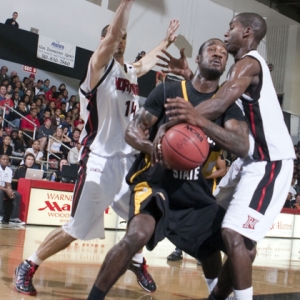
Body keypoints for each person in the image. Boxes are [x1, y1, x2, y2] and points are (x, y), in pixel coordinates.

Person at [14, 0, 180, 296]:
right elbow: (115, 33)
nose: (120, 42)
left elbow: (147, 62)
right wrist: (125, 6)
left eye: (124, 39)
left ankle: (137, 260)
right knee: (75, 229)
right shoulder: (97, 68)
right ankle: (29, 264)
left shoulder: (129, 70)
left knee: (142, 218)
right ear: (105, 41)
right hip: (99, 162)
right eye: (115, 38)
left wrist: (166, 41)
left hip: (128, 161)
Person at [84, 38, 249, 300]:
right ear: (198, 58)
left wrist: (201, 123)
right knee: (137, 235)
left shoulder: (227, 105)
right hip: (155, 185)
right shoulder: (167, 91)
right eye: (211, 50)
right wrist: (152, 148)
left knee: (239, 246)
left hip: (196, 195)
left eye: (222, 52)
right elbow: (132, 131)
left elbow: (242, 145)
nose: (218, 54)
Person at [164, 13, 295, 300]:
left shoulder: (249, 63)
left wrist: (179, 119)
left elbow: (221, 101)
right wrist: (191, 77)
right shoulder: (242, 67)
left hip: (269, 162)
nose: (226, 33)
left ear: (247, 32)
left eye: (231, 28)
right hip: (248, 162)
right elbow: (221, 94)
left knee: (234, 235)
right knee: (212, 221)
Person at [0, 155, 23, 225]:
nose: (5, 161)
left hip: (4, 188)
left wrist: (10, 191)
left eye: (7, 159)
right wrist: (7, 190)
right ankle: (0, 216)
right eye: (3, 159)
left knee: (17, 194)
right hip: (1, 189)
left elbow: (8, 184)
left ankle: (14, 218)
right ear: (0, 160)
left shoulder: (9, 170)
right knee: (0, 193)